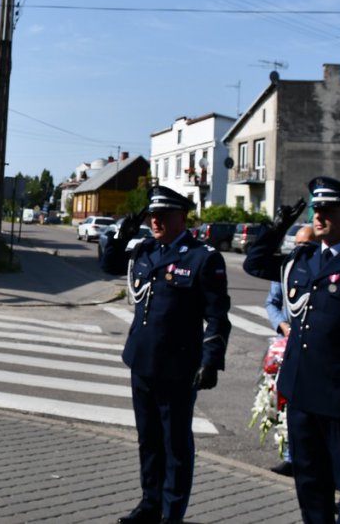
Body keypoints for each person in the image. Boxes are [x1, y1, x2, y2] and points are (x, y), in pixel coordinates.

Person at [243, 177, 340, 524]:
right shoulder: (302, 259)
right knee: (310, 485)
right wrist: (276, 226)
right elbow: (253, 264)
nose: (319, 215)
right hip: (300, 394)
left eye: (328, 209)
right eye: (316, 209)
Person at [101, 186, 232, 524]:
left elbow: (217, 315)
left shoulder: (202, 258)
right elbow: (109, 265)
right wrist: (119, 236)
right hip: (141, 361)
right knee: (148, 440)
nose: (154, 221)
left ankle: (172, 513)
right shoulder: (144, 250)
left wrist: (211, 359)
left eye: (162, 215)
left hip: (177, 366)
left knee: (175, 445)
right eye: (151, 216)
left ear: (181, 218)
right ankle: (150, 503)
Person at [262, 222, 315, 477]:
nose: (300, 250)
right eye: (297, 245)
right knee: (281, 401)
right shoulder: (286, 269)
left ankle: (304, 457)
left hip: (312, 348)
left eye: (306, 245)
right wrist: (282, 325)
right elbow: (271, 302)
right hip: (285, 345)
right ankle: (289, 455)